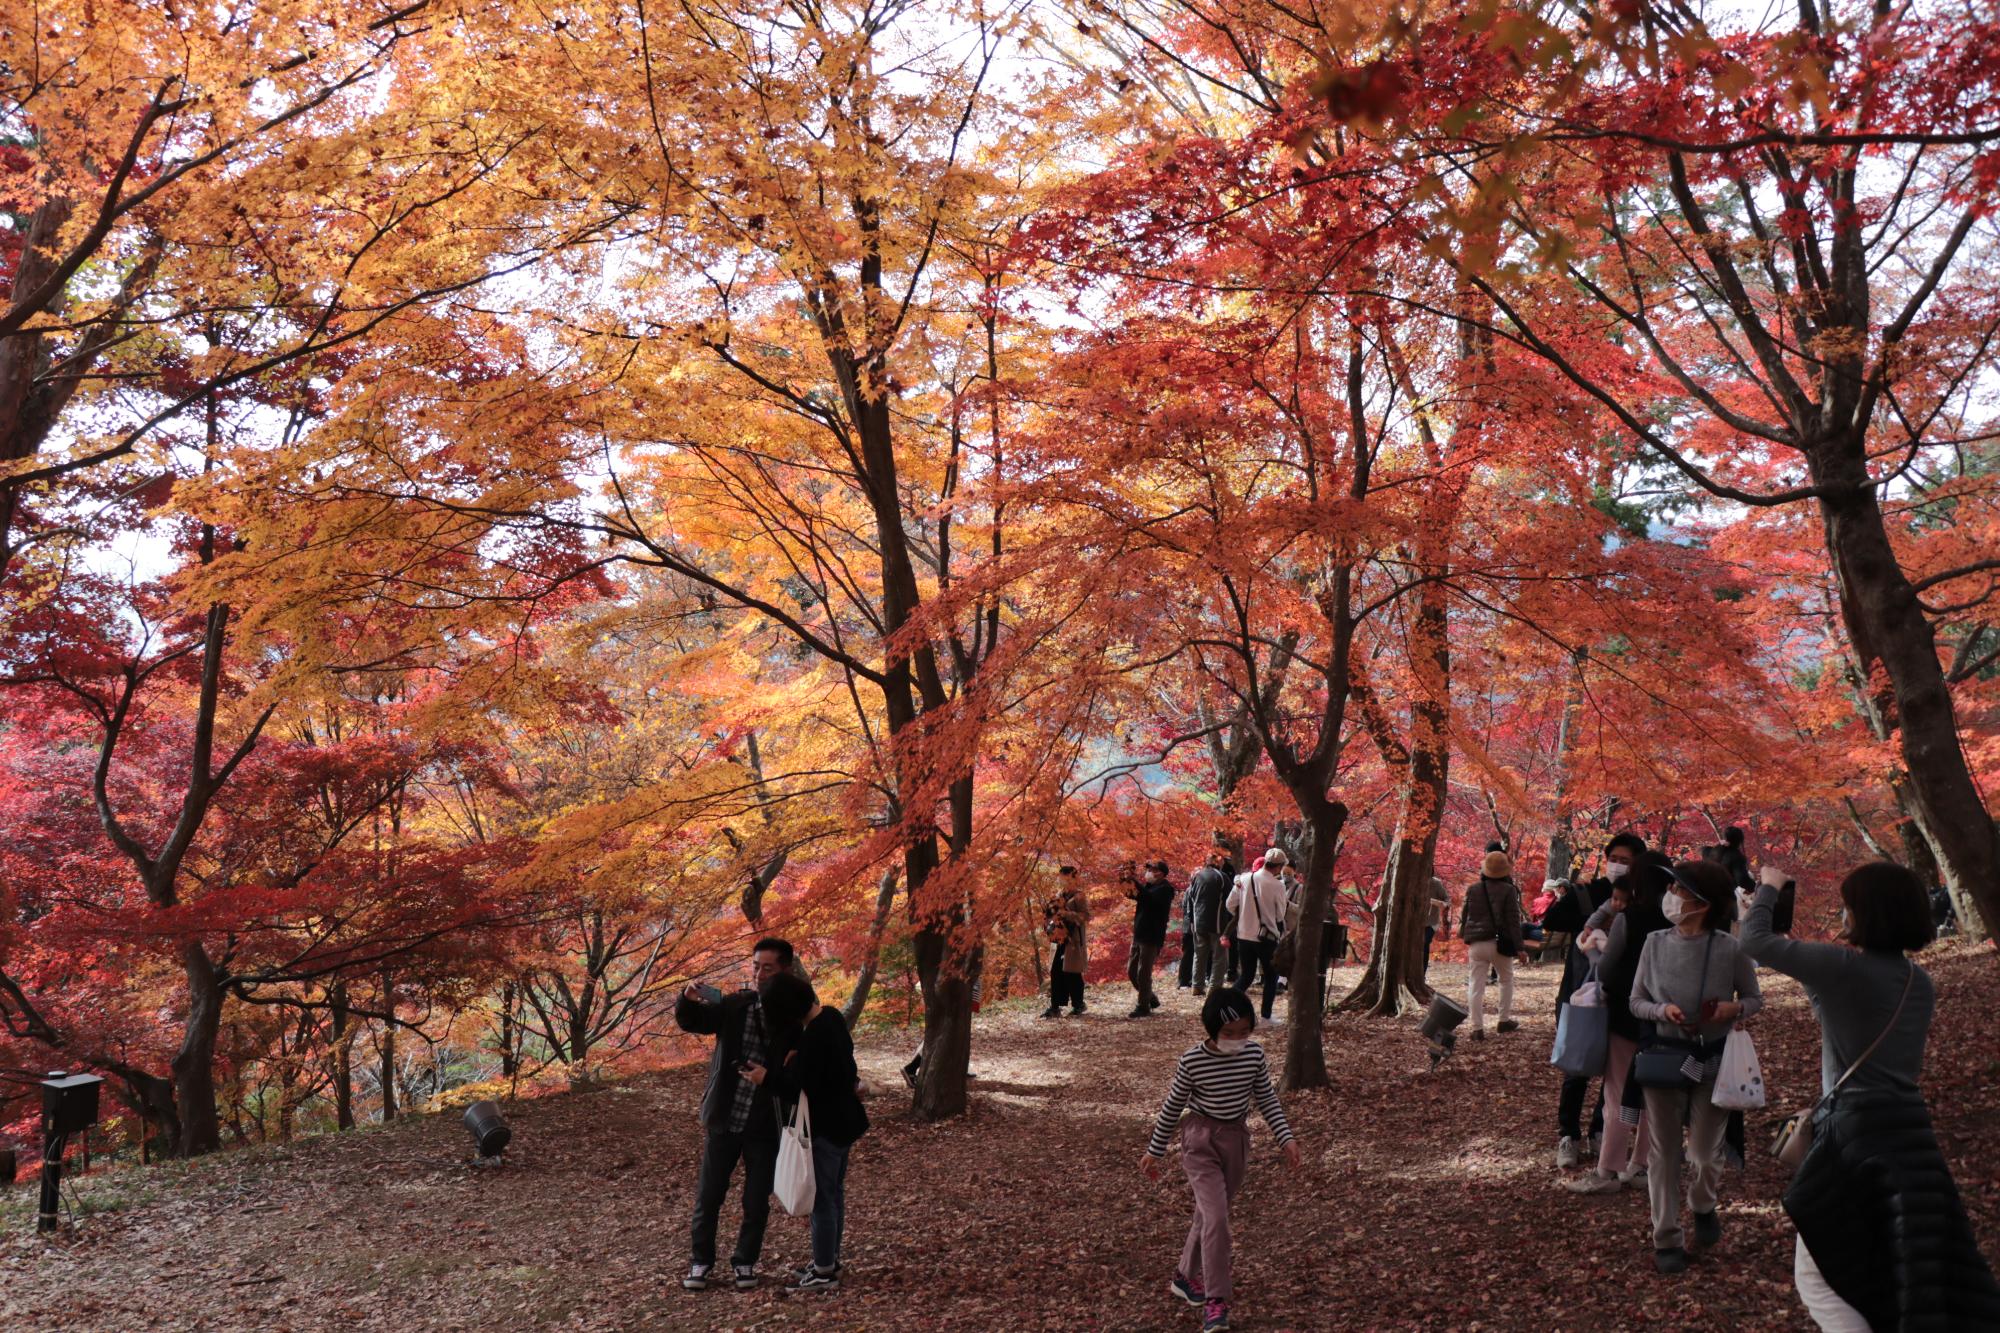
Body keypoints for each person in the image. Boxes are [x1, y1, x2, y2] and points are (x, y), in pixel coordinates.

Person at [1743, 861, 2000, 1329]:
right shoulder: (1917, 982)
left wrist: (1767, 890)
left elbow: (1754, 944)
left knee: (1822, 1273)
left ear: (1867, 912)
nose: (1843, 913)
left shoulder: (1844, 968)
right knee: (1890, 1266)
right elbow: (1837, 1004)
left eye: (1848, 905)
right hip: (1909, 1137)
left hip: (1854, 1139)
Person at [1141, 987, 1301, 1333]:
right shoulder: (1192, 1061)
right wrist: (1155, 1150)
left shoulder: (1254, 1056)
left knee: (1208, 1216)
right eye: (1229, 1034)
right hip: (1199, 1141)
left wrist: (1285, 1138)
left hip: (1236, 1141)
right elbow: (1172, 1107)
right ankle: (1216, 1301)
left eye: (1244, 1032)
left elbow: (1267, 1100)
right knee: (1217, 1219)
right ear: (1211, 1030)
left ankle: (1184, 1276)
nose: (1237, 1040)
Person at [1628, 860, 1762, 1274]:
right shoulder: (1653, 942)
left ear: (1702, 903)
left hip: (1714, 1060)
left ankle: (1703, 1204)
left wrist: (1734, 1007)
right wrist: (1660, 1011)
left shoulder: (1730, 947)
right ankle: (1665, 1237)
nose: (1671, 894)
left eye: (1679, 889)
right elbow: (1635, 1001)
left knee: (1704, 1153)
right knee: (1663, 1153)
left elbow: (1755, 998)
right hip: (1664, 1060)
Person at [674, 937, 795, 1291]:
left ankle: (745, 1261)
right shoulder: (737, 1004)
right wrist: (686, 999)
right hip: (725, 1116)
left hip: (764, 1121)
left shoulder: (792, 1017)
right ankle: (700, 1262)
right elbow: (695, 1021)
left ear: (784, 970)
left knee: (756, 1199)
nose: (759, 974)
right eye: (756, 966)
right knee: (709, 1195)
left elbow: (803, 1061)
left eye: (767, 968)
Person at [744, 972, 870, 1294]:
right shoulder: (830, 1017)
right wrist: (797, 1055)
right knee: (834, 1194)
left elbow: (799, 1087)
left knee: (823, 1199)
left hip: (825, 1128)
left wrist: (766, 1078)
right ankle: (830, 1259)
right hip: (846, 1122)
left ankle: (824, 1271)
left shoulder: (814, 1039)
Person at [1567, 848, 1668, 1195]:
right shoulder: (1678, 922)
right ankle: (1641, 1165)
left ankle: (1608, 1168)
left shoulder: (1631, 918)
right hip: (1667, 1018)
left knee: (1617, 1093)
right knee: (1653, 1094)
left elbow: (1607, 969)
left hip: (1627, 1015)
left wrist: (1592, 950)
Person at [1546, 833, 1639, 1168]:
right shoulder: (1588, 893)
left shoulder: (1642, 900)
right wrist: (1581, 915)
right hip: (1580, 992)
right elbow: (1549, 921)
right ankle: (1567, 1134)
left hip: (1620, 998)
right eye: (1614, 857)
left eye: (1626, 860)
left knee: (1614, 1071)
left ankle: (1601, 1130)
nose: (1618, 865)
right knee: (1576, 1065)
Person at [1460, 850, 1523, 1039]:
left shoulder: (1473, 889)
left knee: (1476, 985)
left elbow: (1465, 916)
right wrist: (1520, 947)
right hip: (1500, 943)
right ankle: (1503, 1020)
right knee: (1506, 980)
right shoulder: (1509, 890)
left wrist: (1466, 935)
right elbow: (1513, 920)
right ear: (1505, 871)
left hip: (1477, 943)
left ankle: (1476, 1028)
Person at [1224, 849, 1289, 1019]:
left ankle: (1226, 1004)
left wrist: (1245, 914)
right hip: (1266, 937)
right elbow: (1280, 914)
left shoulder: (1244, 879)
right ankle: (1266, 1016)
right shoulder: (1277, 885)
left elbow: (1230, 905)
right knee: (1271, 976)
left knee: (1246, 975)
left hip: (1244, 935)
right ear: (1279, 867)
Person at [1128, 860, 1175, 1017]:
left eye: (1152, 869)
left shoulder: (1165, 889)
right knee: (1132, 972)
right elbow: (1134, 895)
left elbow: (1148, 898)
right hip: (1139, 934)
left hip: (1151, 936)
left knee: (1143, 973)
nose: (1148, 872)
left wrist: (1134, 881)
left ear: (1160, 873)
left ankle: (1143, 1006)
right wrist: (1126, 881)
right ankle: (1150, 997)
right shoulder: (1149, 886)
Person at [1042, 867, 1089, 1018]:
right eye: (1060, 877)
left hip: (1073, 940)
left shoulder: (1079, 896)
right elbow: (1050, 915)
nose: (1061, 880)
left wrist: (1066, 913)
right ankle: (1055, 1006)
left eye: (1064, 877)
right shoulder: (1058, 895)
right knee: (1056, 971)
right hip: (1058, 938)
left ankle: (1078, 1004)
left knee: (1072, 972)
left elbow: (1085, 916)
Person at [1185, 850, 1231, 994]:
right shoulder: (1222, 877)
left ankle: (1197, 986)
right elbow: (1231, 899)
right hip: (1216, 922)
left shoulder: (1197, 876)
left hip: (1198, 922)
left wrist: (1192, 920)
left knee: (1199, 954)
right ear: (1218, 861)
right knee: (1219, 956)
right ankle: (1214, 988)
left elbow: (1190, 899)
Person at [1423, 876, 1449, 980]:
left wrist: (1437, 902)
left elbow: (1446, 900)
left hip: (1430, 922)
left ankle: (1422, 975)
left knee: (1424, 946)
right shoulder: (1410, 879)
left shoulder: (1435, 883)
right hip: (1413, 922)